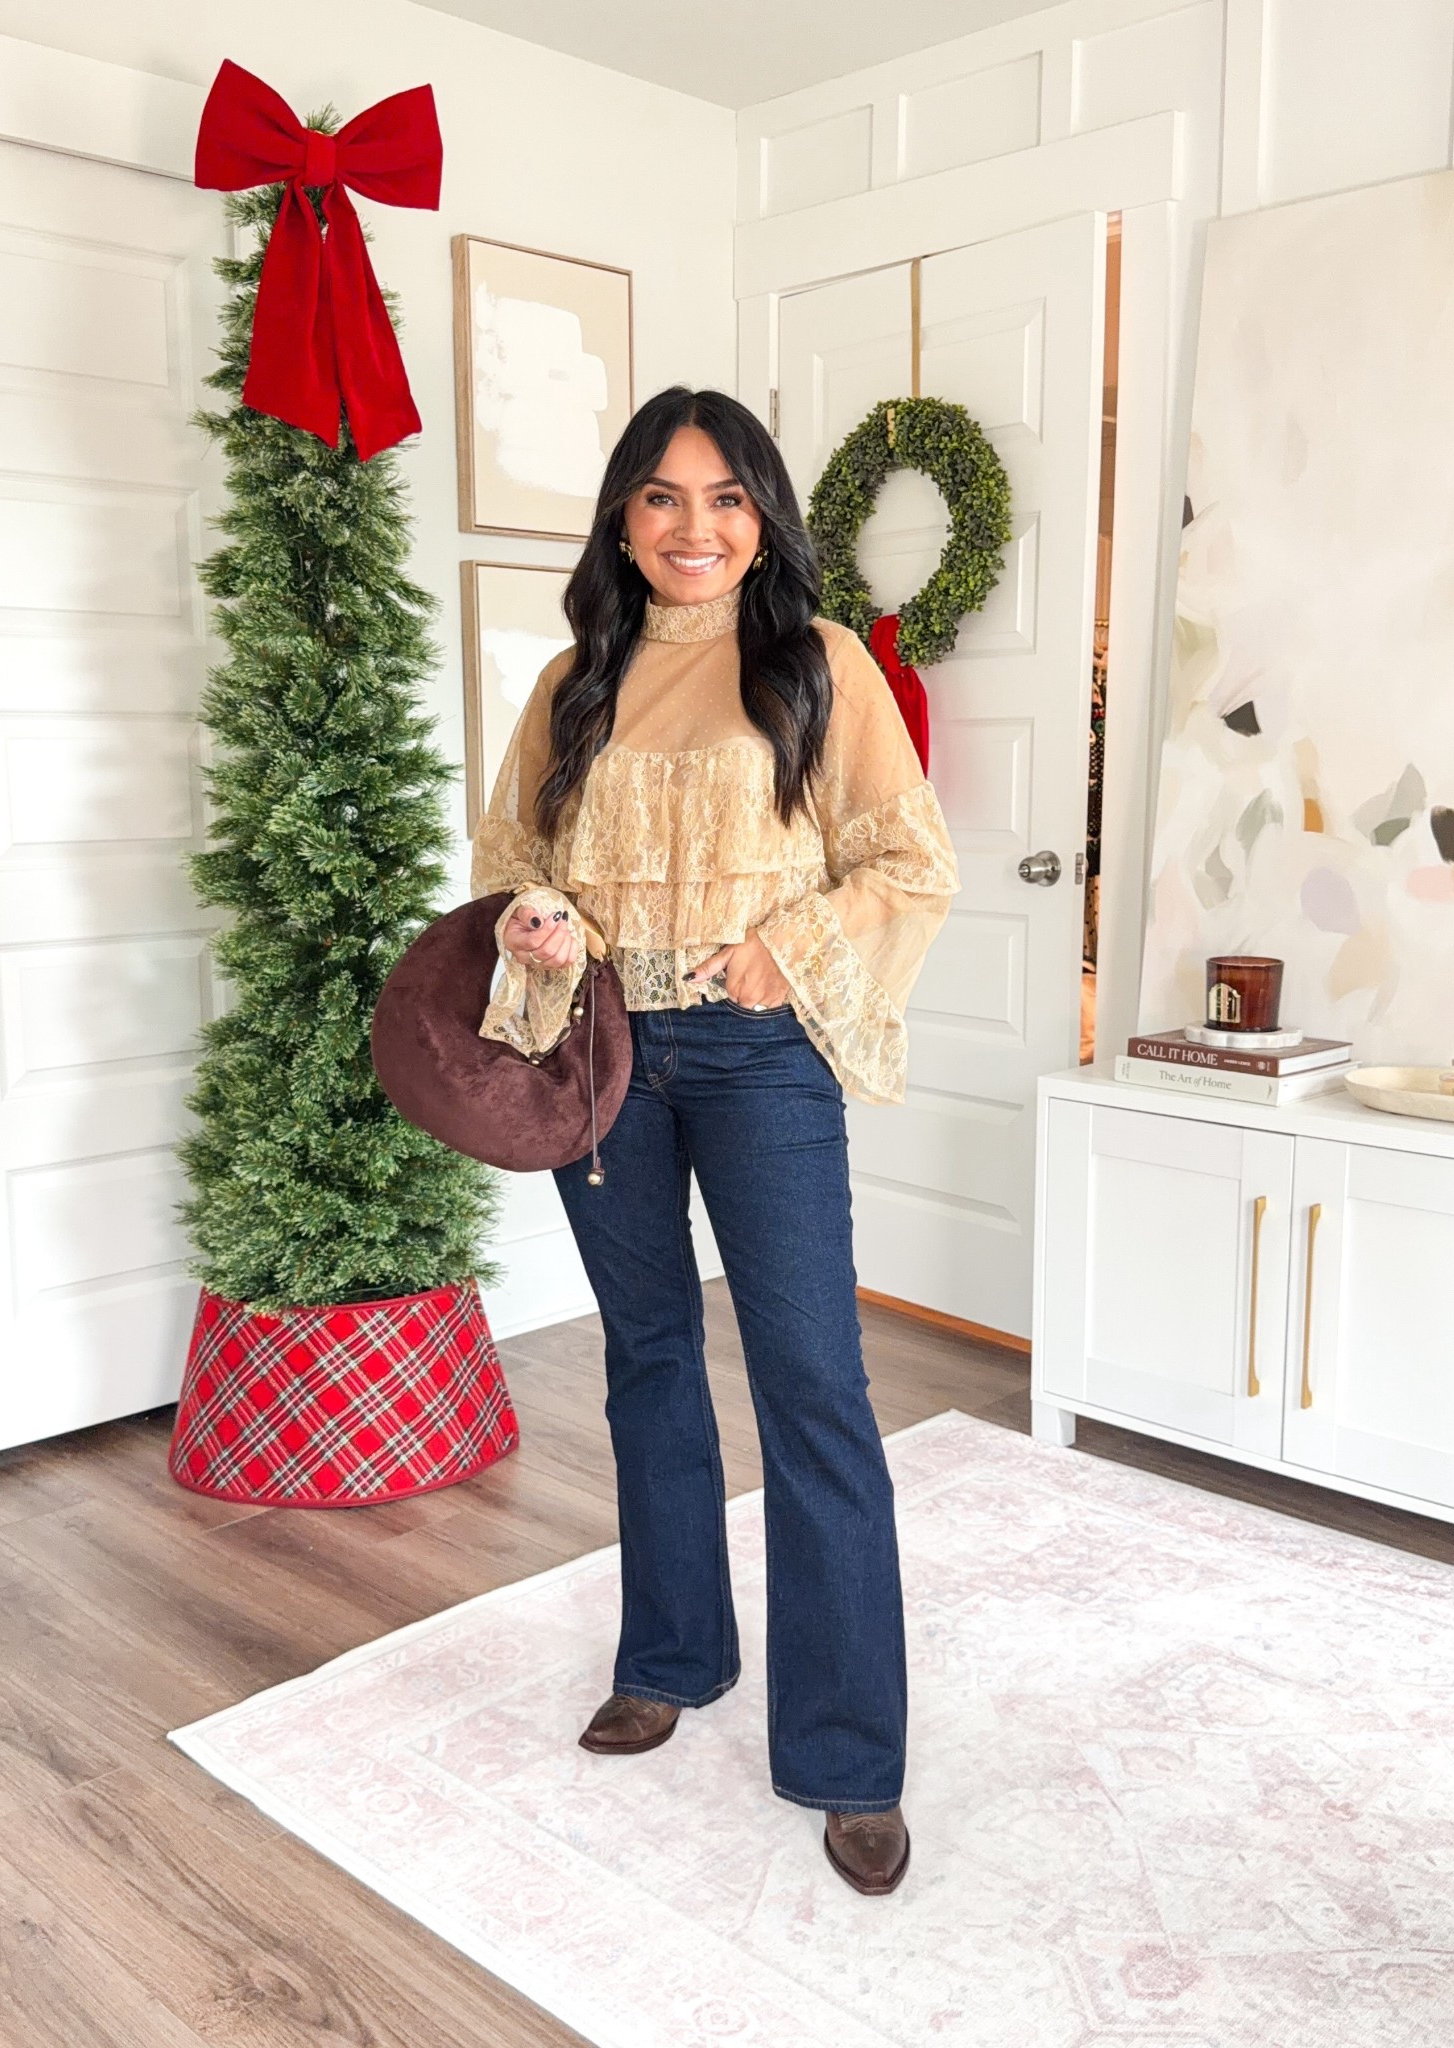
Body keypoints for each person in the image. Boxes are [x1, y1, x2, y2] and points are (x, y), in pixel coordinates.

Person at [469, 386, 958, 1896]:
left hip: (759, 1057)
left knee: (815, 1386)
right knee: (649, 1362)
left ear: (766, 517)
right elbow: (508, 866)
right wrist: (536, 919)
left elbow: (907, 860)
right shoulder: (574, 680)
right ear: (624, 516)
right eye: (664, 498)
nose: (696, 528)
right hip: (603, 1052)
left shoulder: (822, 668)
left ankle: (847, 1752)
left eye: (727, 497)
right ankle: (672, 1654)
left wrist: (792, 943)